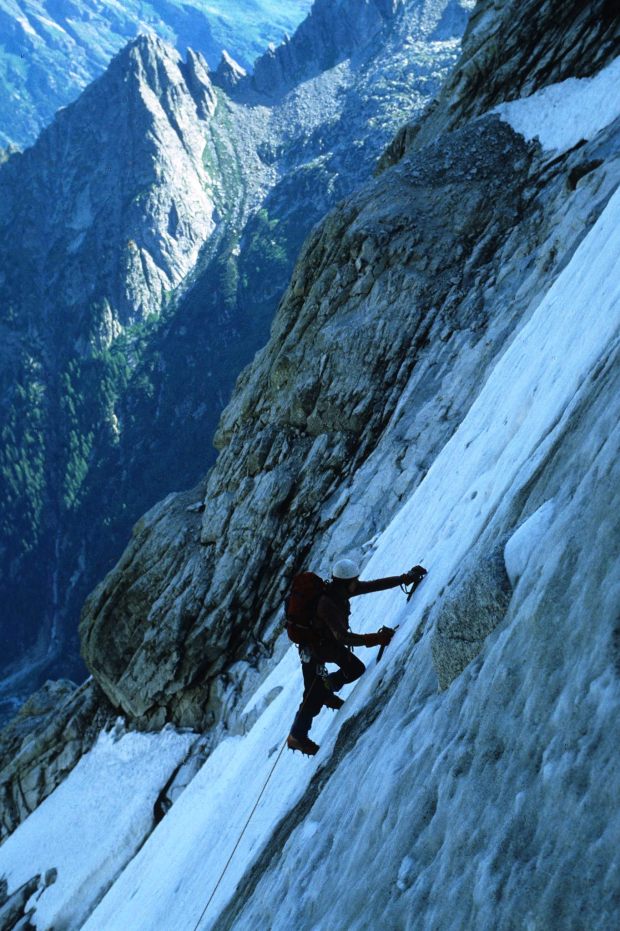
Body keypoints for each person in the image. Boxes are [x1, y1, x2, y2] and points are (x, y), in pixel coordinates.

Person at [287, 558, 427, 755]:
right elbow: (344, 637)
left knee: (353, 670)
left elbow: (373, 586)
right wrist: (377, 638)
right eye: (355, 579)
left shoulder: (340, 589)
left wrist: (405, 578)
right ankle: (297, 736)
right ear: (347, 581)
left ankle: (327, 689)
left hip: (324, 645)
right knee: (313, 693)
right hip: (316, 649)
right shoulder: (327, 603)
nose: (358, 582)